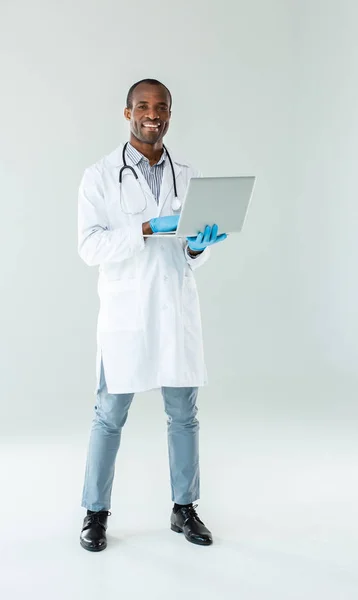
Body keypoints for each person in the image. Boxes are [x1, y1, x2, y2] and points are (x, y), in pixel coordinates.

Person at [77, 78, 227, 552]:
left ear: (169, 114)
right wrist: (143, 228)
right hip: (127, 312)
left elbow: (184, 253)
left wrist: (197, 248)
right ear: (128, 114)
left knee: (184, 415)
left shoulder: (189, 173)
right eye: (143, 106)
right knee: (109, 416)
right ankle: (95, 514)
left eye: (161, 107)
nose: (152, 114)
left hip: (174, 309)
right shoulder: (100, 175)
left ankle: (184, 508)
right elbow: (89, 246)